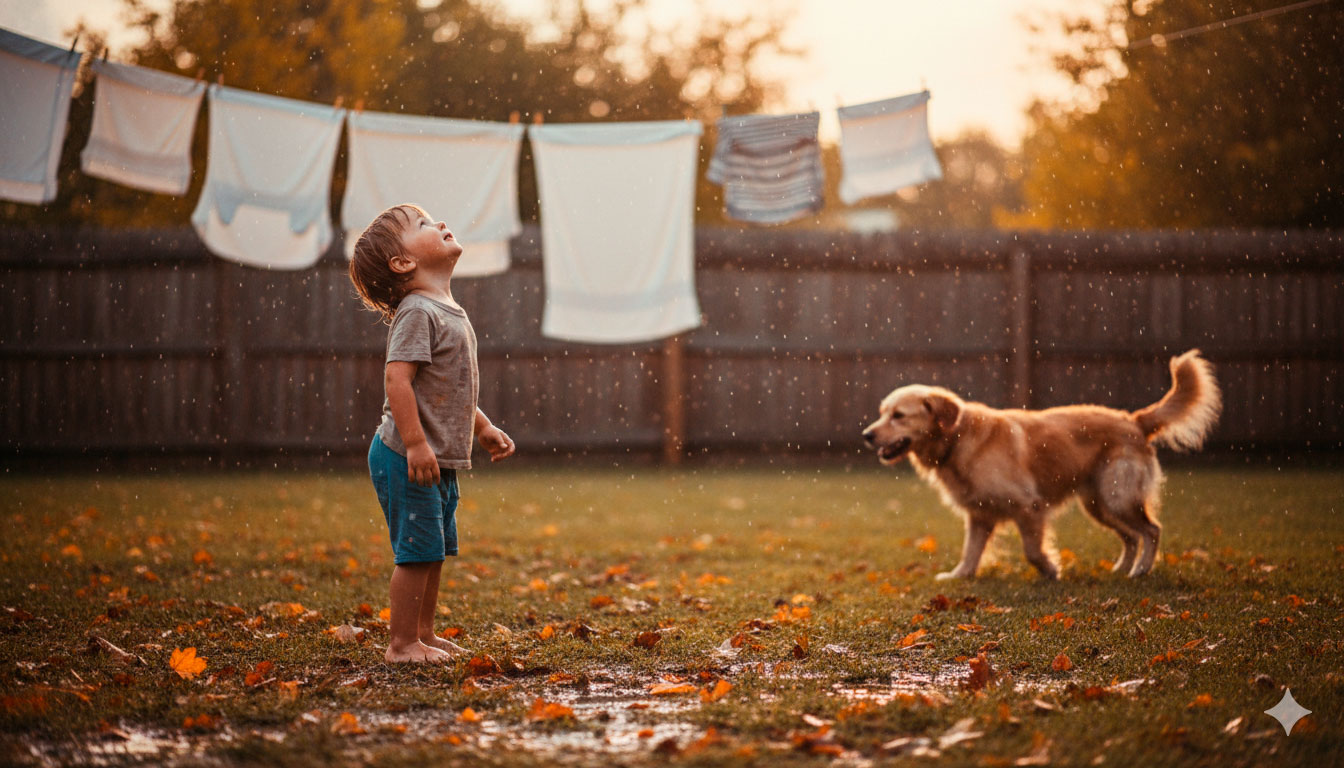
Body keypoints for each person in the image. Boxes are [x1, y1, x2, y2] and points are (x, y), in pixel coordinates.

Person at [349, 203, 516, 664]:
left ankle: (424, 634)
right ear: (402, 263)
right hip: (406, 454)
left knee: (433, 550)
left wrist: (482, 426)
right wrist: (417, 444)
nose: (441, 222)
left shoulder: (446, 309)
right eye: (423, 224)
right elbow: (397, 380)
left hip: (437, 458)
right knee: (415, 552)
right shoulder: (417, 312)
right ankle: (401, 644)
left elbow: (449, 387)